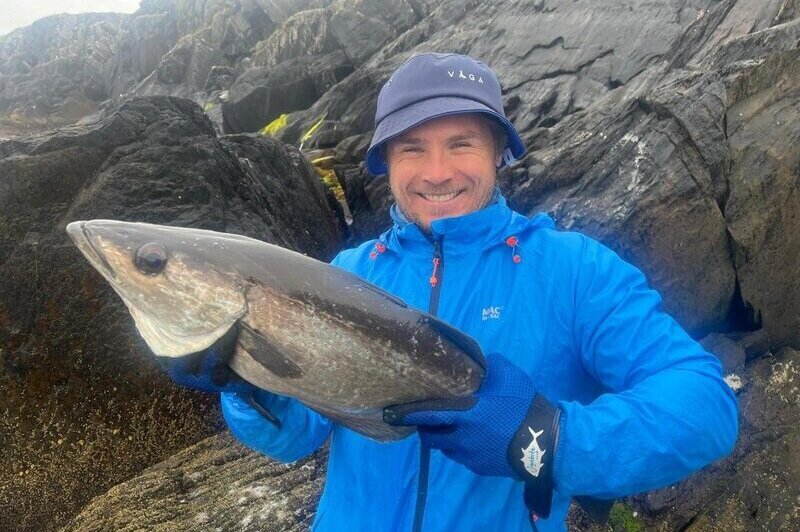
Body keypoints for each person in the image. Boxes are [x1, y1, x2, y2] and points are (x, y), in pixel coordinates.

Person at [162, 53, 738, 531]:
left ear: (499, 152)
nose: (436, 172)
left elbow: (704, 406)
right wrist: (242, 383)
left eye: (461, 143)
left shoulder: (573, 270)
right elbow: (294, 435)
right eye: (412, 148)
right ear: (386, 162)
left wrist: (550, 439)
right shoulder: (348, 273)